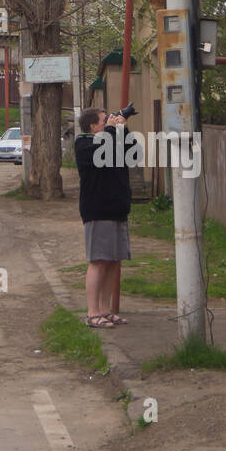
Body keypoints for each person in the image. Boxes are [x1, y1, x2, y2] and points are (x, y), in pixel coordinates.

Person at [74, 107, 132, 328]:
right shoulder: (84, 144)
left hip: (117, 209)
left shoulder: (111, 139)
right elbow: (101, 151)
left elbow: (132, 154)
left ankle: (106, 310)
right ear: (93, 126)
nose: (107, 122)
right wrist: (110, 130)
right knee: (99, 261)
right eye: (103, 120)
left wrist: (123, 130)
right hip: (98, 210)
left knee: (113, 261)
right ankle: (92, 312)